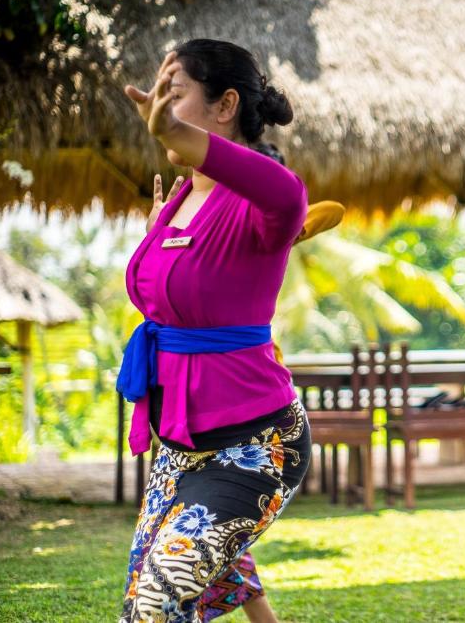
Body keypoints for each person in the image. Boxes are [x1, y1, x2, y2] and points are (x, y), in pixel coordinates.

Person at [117, 39, 310, 622]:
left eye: (174, 97)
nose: (160, 108)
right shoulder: (177, 200)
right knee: (178, 575)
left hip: (256, 444)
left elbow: (289, 196)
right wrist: (157, 240)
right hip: (178, 445)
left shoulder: (263, 197)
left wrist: (179, 139)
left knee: (153, 604)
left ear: (225, 105)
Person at [145, 168, 346, 622]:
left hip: (249, 425)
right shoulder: (201, 266)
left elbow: (325, 211)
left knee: (192, 556)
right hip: (185, 433)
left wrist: (284, 233)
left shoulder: (251, 268)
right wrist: (160, 241)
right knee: (209, 548)